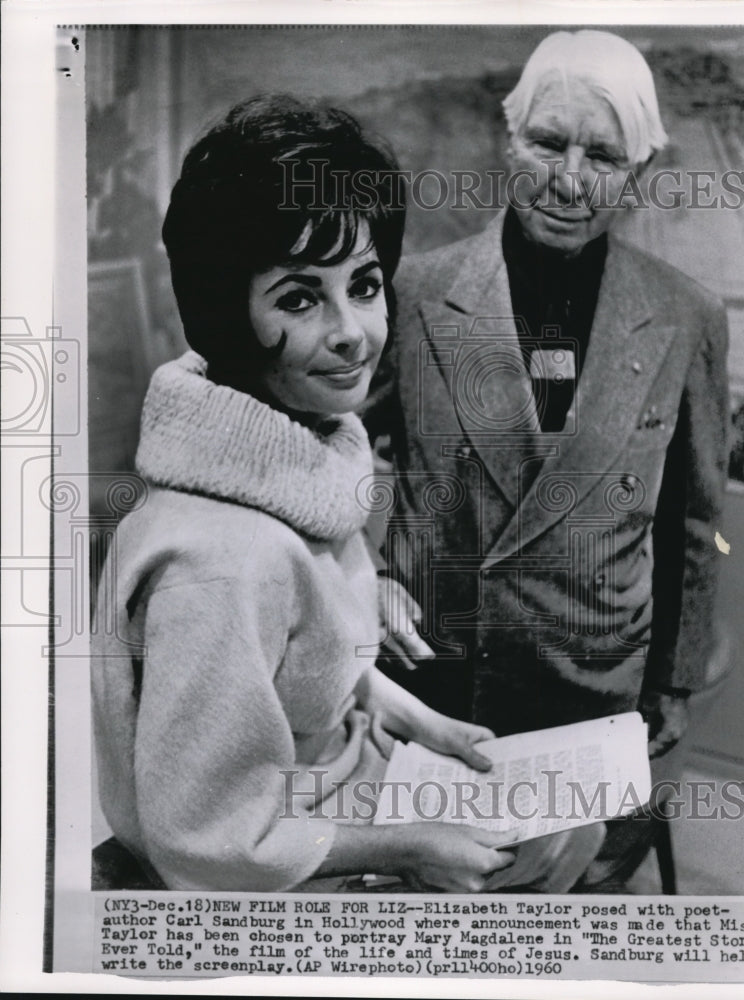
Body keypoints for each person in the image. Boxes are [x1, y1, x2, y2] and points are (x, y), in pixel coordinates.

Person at [91, 94, 602, 893]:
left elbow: (297, 667)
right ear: (226, 317)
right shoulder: (222, 562)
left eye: (363, 285)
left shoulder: (292, 449)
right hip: (282, 872)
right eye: (298, 298)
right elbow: (205, 838)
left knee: (580, 819)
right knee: (553, 868)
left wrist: (415, 717)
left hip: (350, 778)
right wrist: (408, 846)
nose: (353, 331)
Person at [365, 30, 730, 889]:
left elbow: (694, 519)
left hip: (592, 687)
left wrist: (671, 686)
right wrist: (362, 574)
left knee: (560, 904)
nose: (570, 179)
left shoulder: (685, 316)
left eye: (603, 154)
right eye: (548, 141)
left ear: (638, 170)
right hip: (443, 674)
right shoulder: (416, 291)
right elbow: (325, 448)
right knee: (433, 909)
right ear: (509, 139)